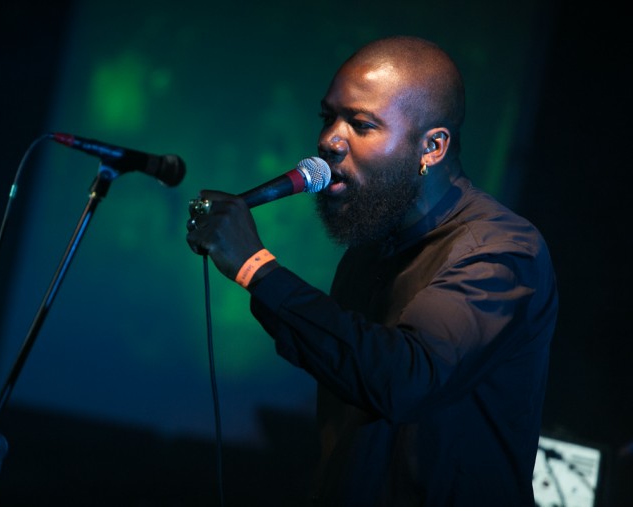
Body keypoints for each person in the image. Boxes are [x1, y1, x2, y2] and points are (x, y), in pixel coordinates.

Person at [185, 35, 558, 506]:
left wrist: (256, 267)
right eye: (328, 118)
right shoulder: (368, 254)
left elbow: (405, 378)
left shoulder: (500, 251)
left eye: (360, 124)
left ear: (433, 146)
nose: (328, 140)